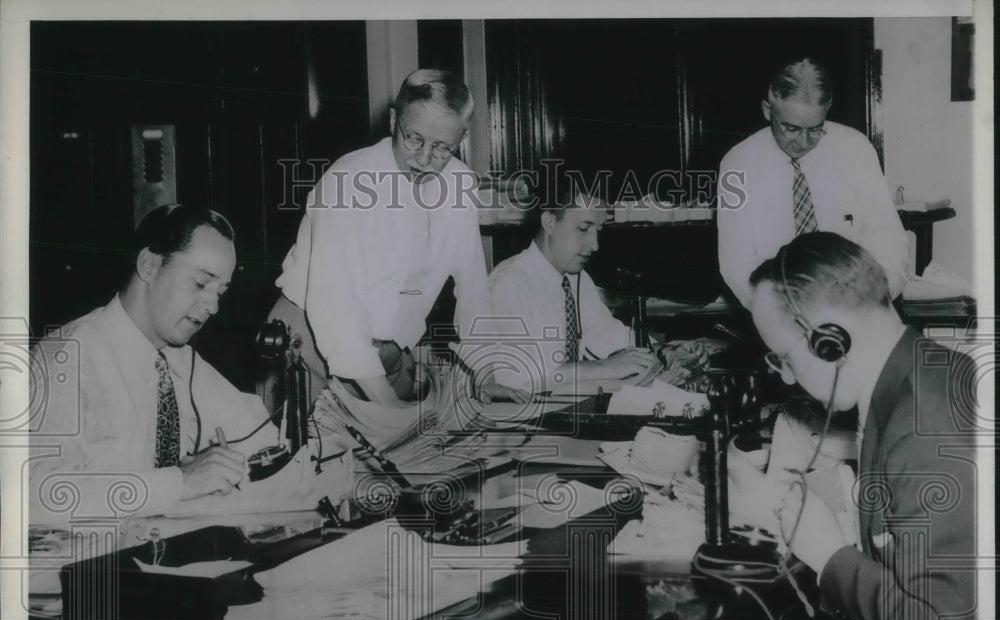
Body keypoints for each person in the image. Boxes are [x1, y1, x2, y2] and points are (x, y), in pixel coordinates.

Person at [728, 231, 978, 620]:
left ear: (830, 339)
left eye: (781, 357)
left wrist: (825, 552)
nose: (785, 376)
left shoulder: (922, 424)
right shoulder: (917, 374)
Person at [271, 68, 517, 407]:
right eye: (413, 138)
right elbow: (334, 308)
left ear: (460, 140)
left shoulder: (460, 185)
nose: (424, 159)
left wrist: (485, 373)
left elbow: (473, 287)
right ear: (392, 122)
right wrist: (388, 407)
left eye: (442, 147)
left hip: (387, 351)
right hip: (308, 345)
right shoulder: (347, 182)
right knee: (314, 457)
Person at [30, 205, 280, 520]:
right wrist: (179, 482)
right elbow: (31, 493)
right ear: (149, 265)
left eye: (221, 292)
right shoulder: (69, 357)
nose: (213, 306)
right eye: (201, 284)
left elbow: (259, 438)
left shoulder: (178, 359)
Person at [717, 58, 908, 307]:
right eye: (791, 128)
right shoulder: (736, 164)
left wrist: (878, 294)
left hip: (854, 303)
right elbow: (736, 261)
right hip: (778, 308)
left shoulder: (856, 149)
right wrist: (776, 312)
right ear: (767, 110)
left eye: (816, 129)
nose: (804, 142)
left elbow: (886, 234)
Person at [488, 175, 705, 393]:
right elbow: (514, 375)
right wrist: (603, 367)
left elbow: (607, 335)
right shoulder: (510, 283)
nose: (595, 245)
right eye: (583, 228)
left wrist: (665, 350)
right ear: (549, 222)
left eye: (598, 231)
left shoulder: (576, 279)